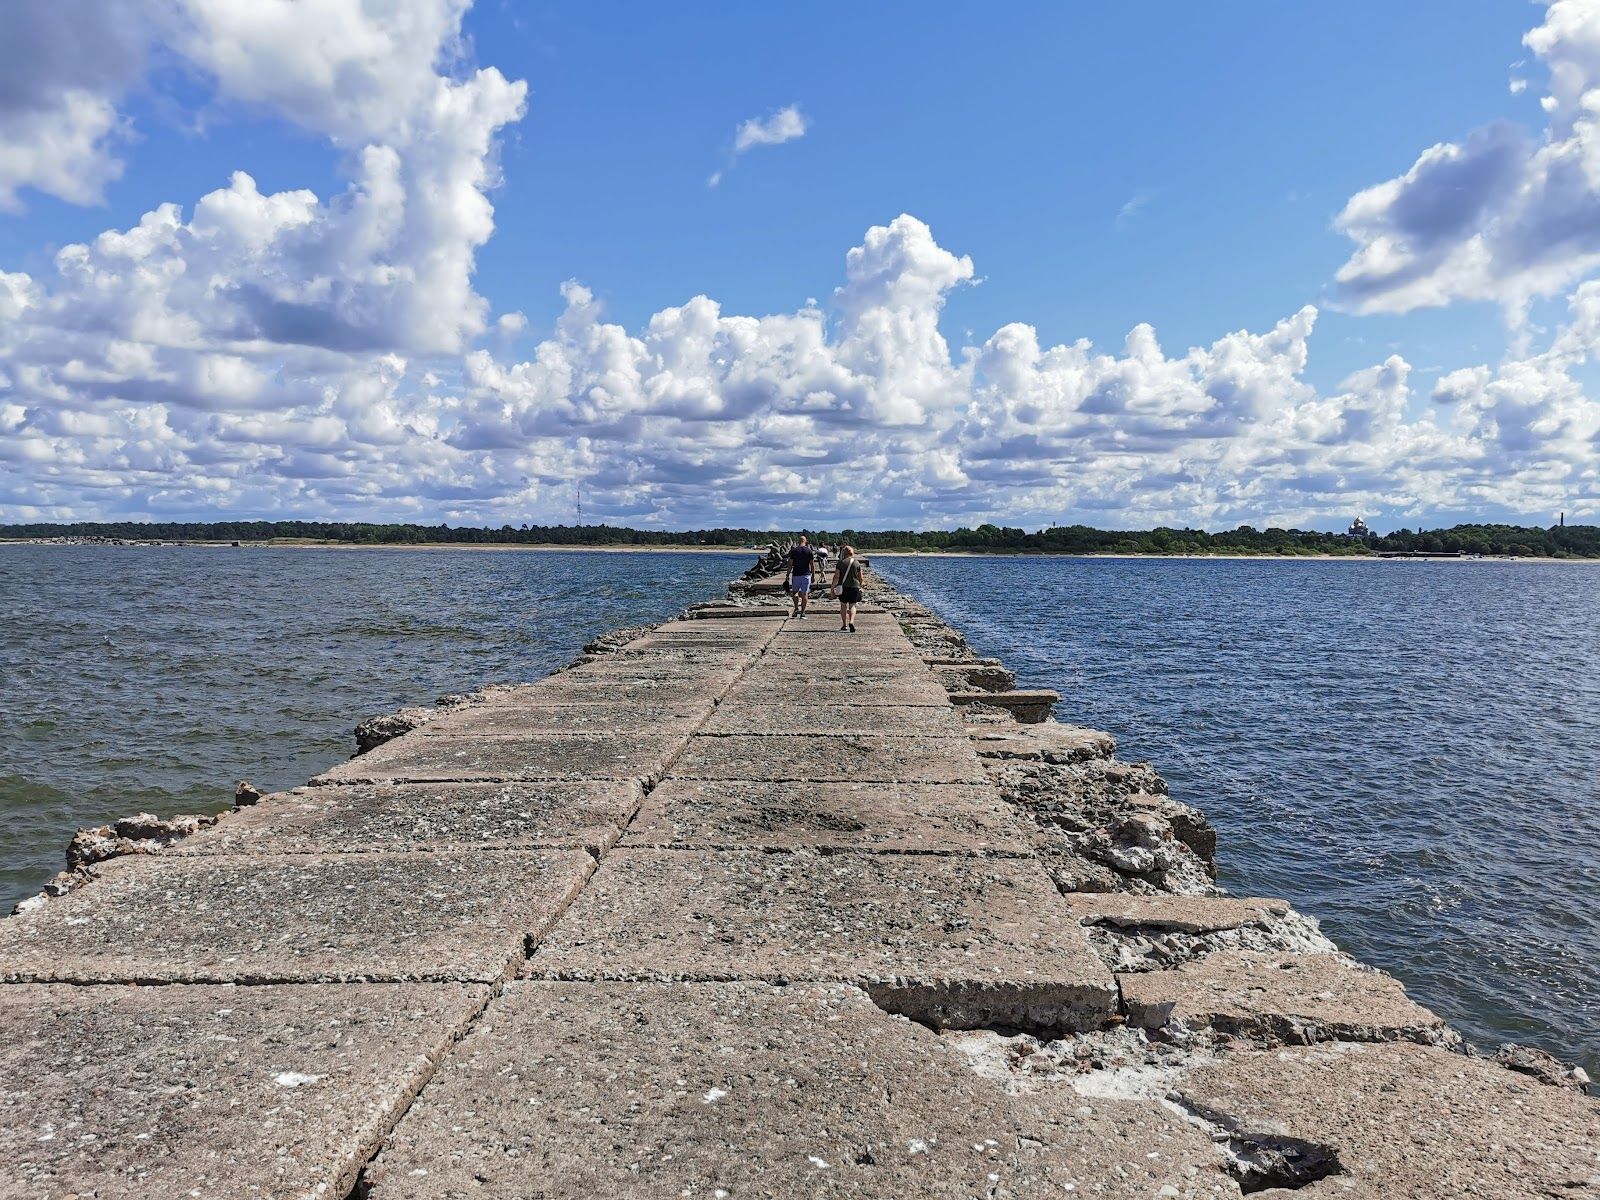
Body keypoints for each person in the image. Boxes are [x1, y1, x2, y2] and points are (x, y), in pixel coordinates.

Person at [832, 543, 864, 632]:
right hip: (854, 587)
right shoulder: (856, 563)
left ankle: (844, 625)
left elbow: (836, 577)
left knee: (843, 605)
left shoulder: (841, 563)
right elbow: (861, 577)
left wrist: (832, 588)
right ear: (852, 553)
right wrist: (861, 586)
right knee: (852, 606)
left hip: (843, 587)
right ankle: (852, 621)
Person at [784, 534, 816, 618]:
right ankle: (803, 612)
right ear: (805, 541)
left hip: (796, 574)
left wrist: (787, 574)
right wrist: (813, 576)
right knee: (805, 594)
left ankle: (796, 608)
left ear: (799, 541)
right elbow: (812, 565)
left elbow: (790, 564)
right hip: (806, 574)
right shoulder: (809, 551)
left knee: (795, 592)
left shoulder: (794, 551)